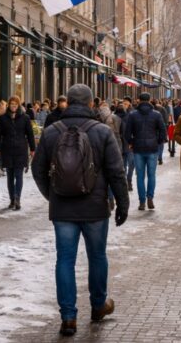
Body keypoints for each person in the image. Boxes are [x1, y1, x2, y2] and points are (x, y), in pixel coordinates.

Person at [30, 84, 130, 337]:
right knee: (97, 257)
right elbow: (116, 172)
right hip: (95, 208)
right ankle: (98, 306)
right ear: (90, 104)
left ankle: (68, 317)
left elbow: (37, 168)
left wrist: (51, 194)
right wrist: (122, 202)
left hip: (63, 208)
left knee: (65, 260)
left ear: (66, 102)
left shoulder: (52, 131)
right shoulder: (102, 131)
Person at [123, 92, 167, 211]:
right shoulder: (156, 115)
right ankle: (150, 198)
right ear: (150, 100)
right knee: (152, 175)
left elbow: (126, 133)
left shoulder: (132, 115)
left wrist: (132, 142)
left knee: (140, 176)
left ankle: (142, 201)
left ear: (138, 100)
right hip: (152, 148)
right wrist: (157, 142)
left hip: (138, 149)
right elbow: (163, 131)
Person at [0, 95, 36, 210]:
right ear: (9, 105)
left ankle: (18, 198)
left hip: (21, 150)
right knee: (10, 177)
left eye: (15, 105)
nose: (13, 106)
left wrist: (33, 149)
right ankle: (12, 200)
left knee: (19, 175)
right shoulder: (3, 118)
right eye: (12, 104)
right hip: (7, 150)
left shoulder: (25, 118)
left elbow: (30, 134)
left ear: (18, 106)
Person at [153, 100, 170, 165]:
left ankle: (157, 156)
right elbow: (166, 120)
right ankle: (160, 157)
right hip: (162, 129)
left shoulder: (153, 110)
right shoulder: (163, 109)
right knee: (161, 144)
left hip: (154, 130)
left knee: (156, 144)